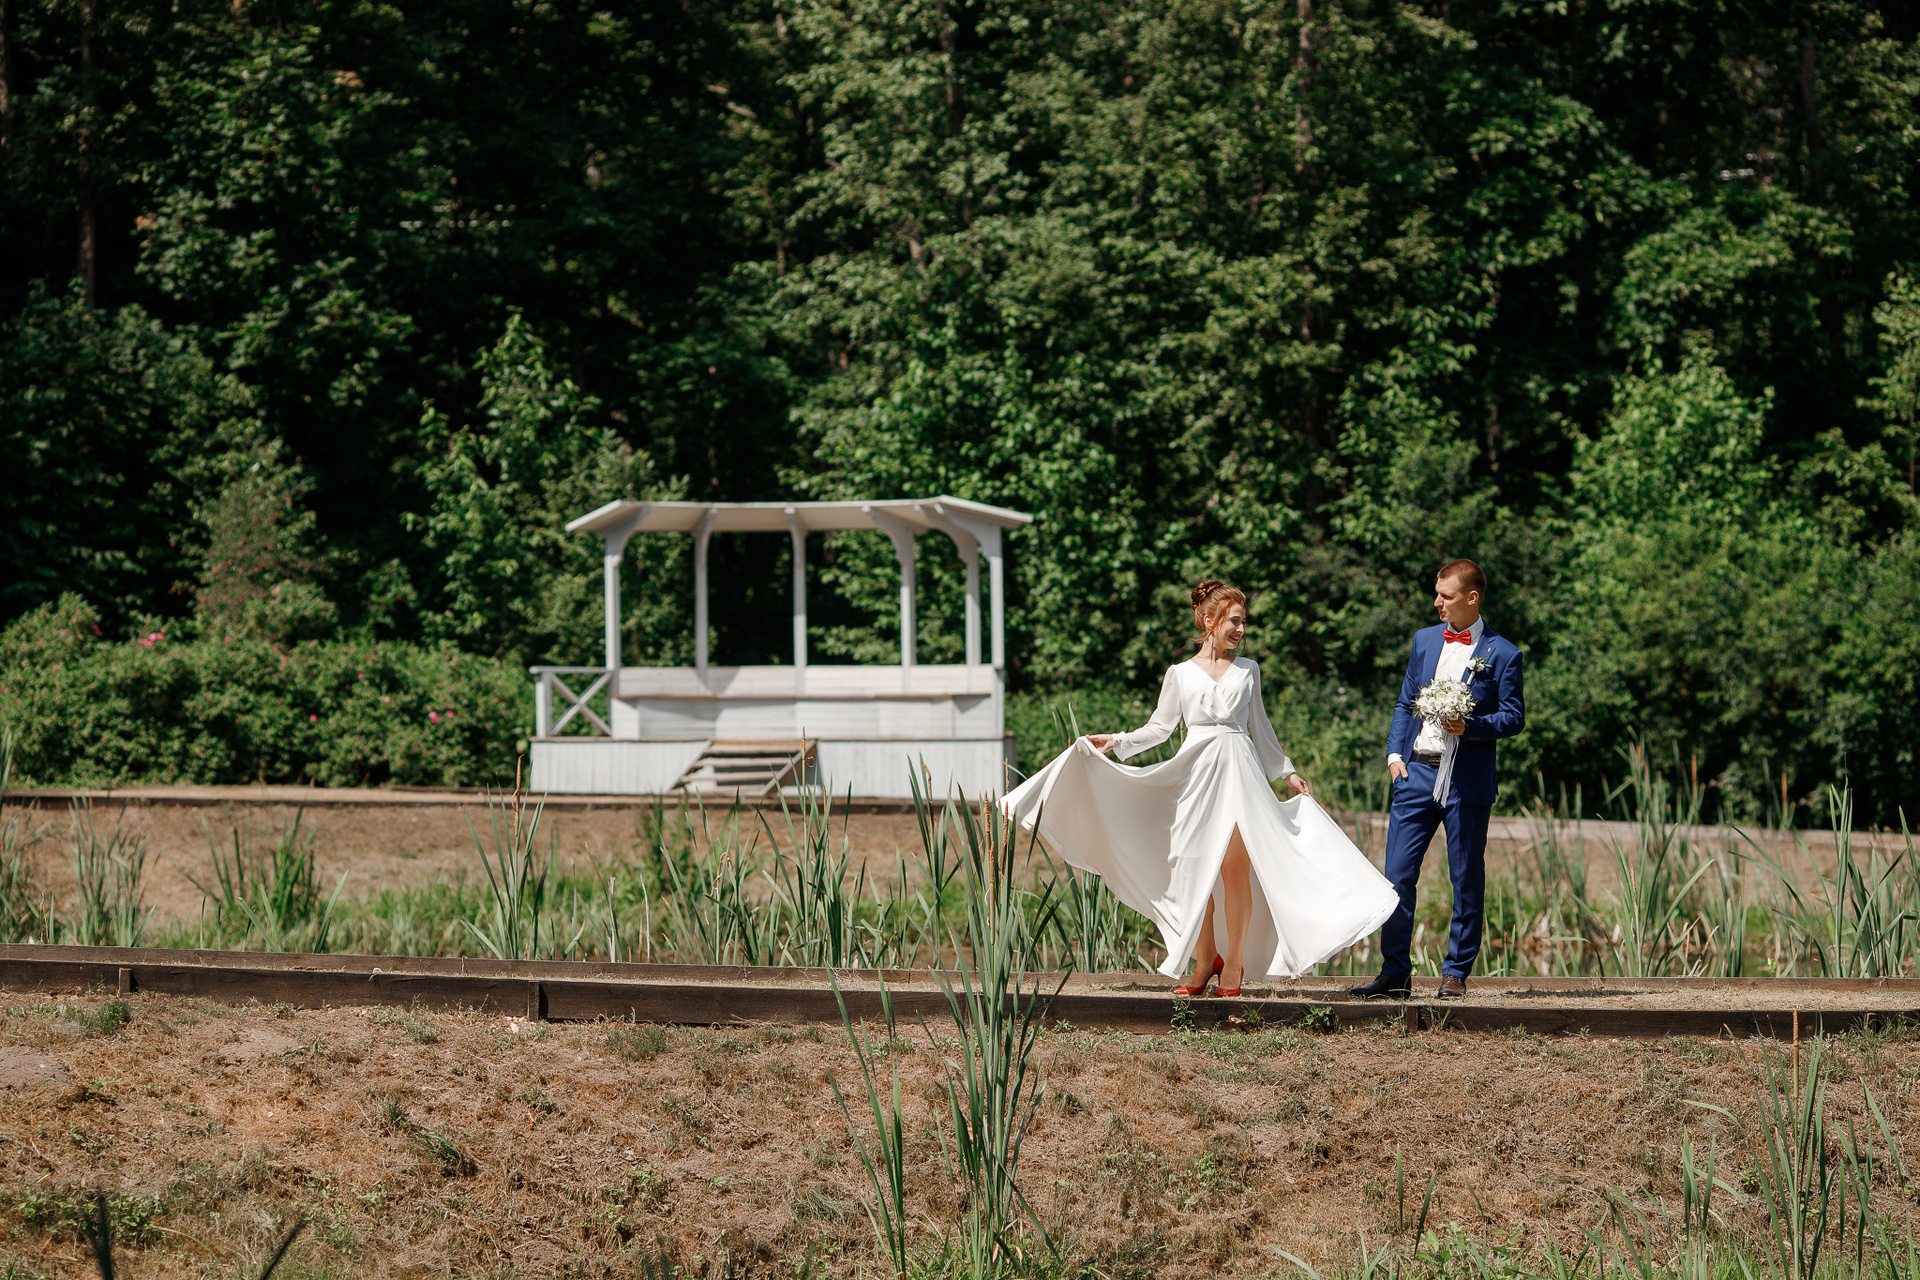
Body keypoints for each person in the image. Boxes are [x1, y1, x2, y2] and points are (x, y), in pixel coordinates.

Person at [1002, 580, 1399, 994]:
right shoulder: (1179, 673)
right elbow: (1159, 728)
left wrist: (1286, 772)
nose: (1241, 629)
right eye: (1234, 621)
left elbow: (1261, 727)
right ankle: (1206, 958)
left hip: (1240, 775)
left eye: (1243, 622)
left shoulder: (1249, 670)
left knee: (1234, 870)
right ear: (1209, 621)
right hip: (1195, 777)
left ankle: (1235, 965)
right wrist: (1116, 741)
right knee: (1195, 872)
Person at [1350, 559, 1525, 1001]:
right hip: (1416, 774)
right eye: (1437, 593)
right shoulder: (1425, 640)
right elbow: (1405, 701)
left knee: (1465, 879)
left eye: (1445, 596)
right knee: (1396, 877)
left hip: (1466, 781)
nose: (1437, 603)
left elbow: (1514, 716)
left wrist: (1472, 726)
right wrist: (1394, 755)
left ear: (1472, 598)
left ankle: (1455, 974)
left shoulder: (1504, 653)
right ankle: (1395, 974)